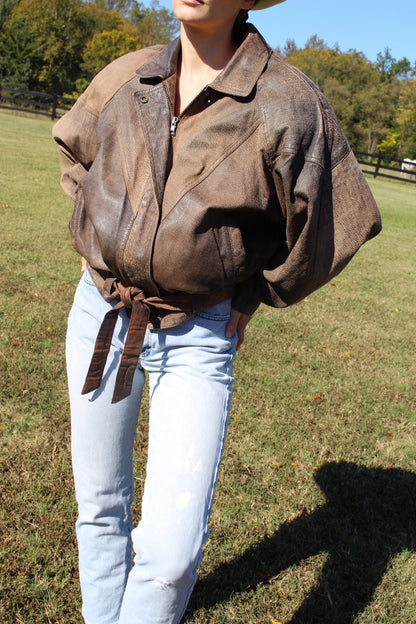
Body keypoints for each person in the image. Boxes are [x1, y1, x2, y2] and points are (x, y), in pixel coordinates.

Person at [53, 0, 381, 622]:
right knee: (99, 506)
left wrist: (257, 292)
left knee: (172, 554)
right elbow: (75, 152)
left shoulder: (287, 100)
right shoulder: (130, 74)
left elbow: (335, 222)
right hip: (99, 314)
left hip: (198, 335)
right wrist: (99, 240)